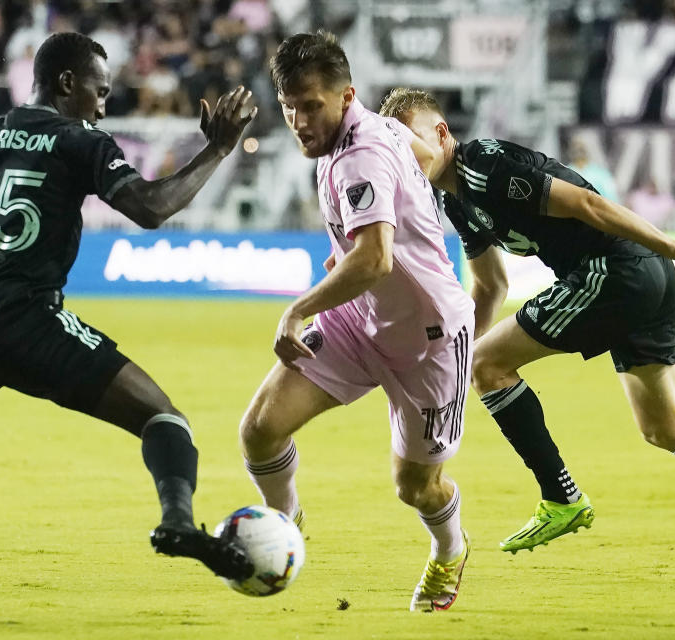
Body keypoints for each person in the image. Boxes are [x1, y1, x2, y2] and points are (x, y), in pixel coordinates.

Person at [0, 31, 257, 617]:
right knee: (164, 419)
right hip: (27, 316)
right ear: (67, 83)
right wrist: (216, 151)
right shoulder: (78, 140)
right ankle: (178, 524)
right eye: (100, 91)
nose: (104, 105)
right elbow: (152, 208)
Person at [380, 88, 675, 554]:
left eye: (410, 141)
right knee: (665, 428)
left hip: (616, 270)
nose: (405, 156)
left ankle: (562, 497)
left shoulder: (485, 167)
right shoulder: (455, 199)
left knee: (488, 366)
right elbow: (489, 286)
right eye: (394, 147)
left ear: (440, 134)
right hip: (637, 277)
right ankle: (563, 497)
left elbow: (588, 206)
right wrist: (454, 365)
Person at [238, 31, 475, 613]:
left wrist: (298, 307)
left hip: (429, 341)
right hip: (360, 319)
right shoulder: (380, 132)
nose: (298, 120)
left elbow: (375, 258)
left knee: (415, 488)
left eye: (311, 105)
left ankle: (451, 548)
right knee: (261, 428)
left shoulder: (359, 155)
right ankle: (283, 531)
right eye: (289, 107)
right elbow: (428, 161)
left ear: (346, 96)